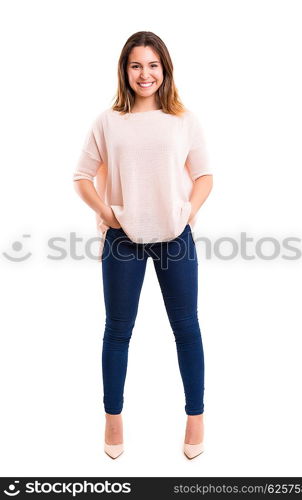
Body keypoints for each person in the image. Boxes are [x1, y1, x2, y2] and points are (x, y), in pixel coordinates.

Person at [73, 31, 213, 460]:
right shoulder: (108, 120)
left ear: (164, 69)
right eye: (136, 65)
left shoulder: (184, 119)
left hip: (175, 238)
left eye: (153, 65)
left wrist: (185, 213)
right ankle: (112, 418)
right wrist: (109, 214)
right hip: (122, 240)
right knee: (118, 331)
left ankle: (196, 416)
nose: (145, 73)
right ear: (125, 71)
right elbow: (81, 176)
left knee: (186, 328)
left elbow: (205, 176)